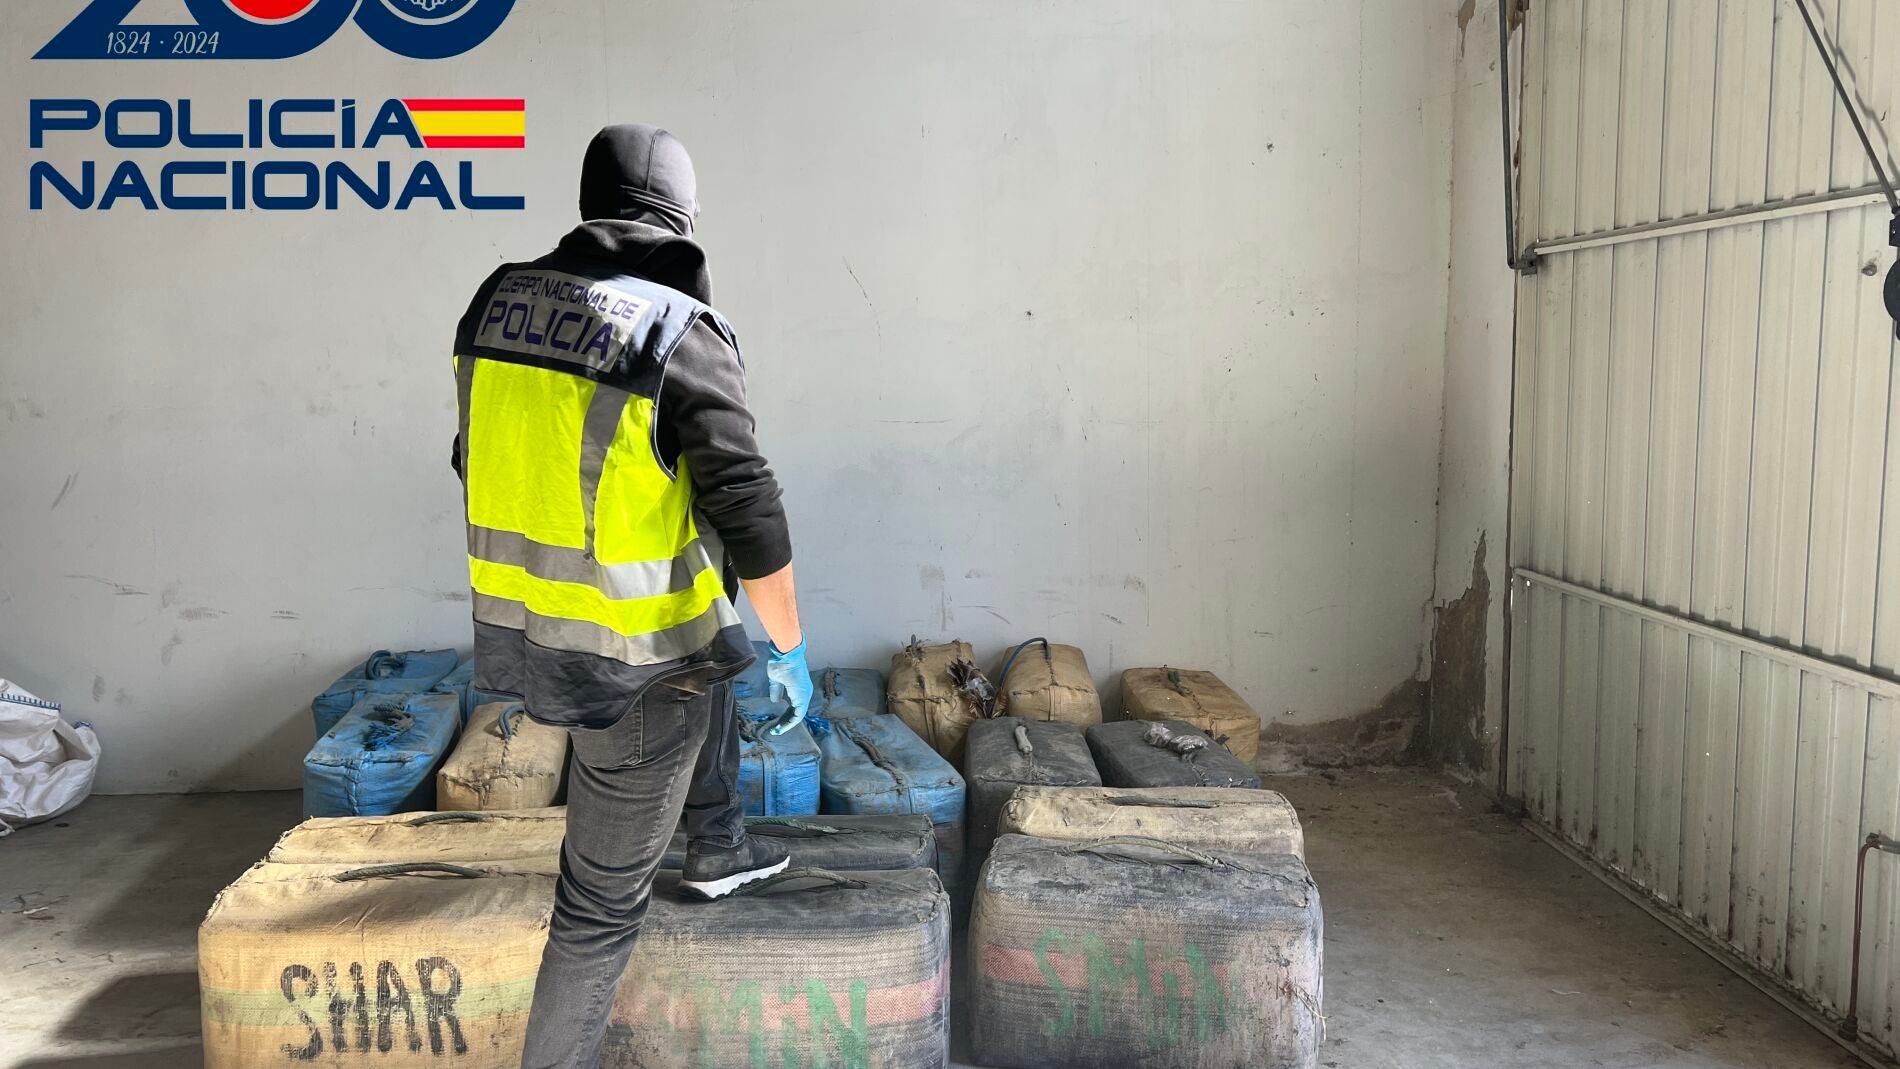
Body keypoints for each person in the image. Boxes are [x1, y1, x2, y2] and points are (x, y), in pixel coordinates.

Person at [449, 123, 816, 1069]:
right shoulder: (679, 332)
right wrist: (791, 644)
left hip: (530, 625)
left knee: (713, 632)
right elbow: (749, 504)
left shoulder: (494, 303)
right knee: (598, 910)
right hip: (634, 663)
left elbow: (473, 454)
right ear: (681, 219)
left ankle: (719, 839)